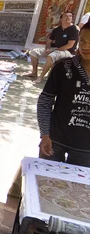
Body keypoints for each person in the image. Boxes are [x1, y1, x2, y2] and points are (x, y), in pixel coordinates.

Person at [36, 23, 90, 167]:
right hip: (55, 140)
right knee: (45, 183)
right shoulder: (64, 66)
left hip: (86, 148)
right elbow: (45, 100)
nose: (85, 46)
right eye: (83, 41)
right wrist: (45, 134)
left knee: (78, 188)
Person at [29, 11, 79, 83]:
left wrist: (57, 50)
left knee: (51, 56)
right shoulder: (57, 29)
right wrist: (48, 49)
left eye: (70, 16)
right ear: (61, 19)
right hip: (56, 49)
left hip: (67, 51)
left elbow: (70, 45)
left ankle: (41, 77)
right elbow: (49, 41)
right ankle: (34, 72)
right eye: (66, 16)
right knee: (33, 52)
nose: (68, 17)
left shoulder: (74, 29)